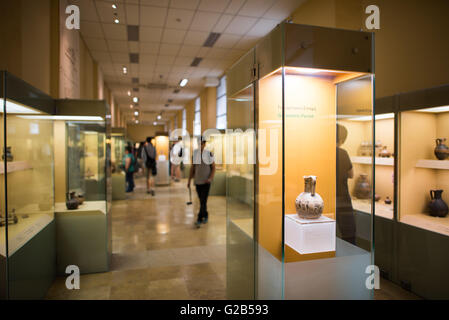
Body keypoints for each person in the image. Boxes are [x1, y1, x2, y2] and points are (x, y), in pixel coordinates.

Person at [188, 138, 215, 228]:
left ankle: (199, 219)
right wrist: (189, 180)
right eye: (199, 144)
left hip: (206, 182)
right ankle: (206, 215)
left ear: (205, 144)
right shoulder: (195, 154)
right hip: (198, 181)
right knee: (202, 200)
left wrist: (210, 178)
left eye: (202, 144)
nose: (201, 146)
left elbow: (213, 167)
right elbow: (193, 168)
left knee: (203, 200)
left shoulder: (209, 154)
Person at [336, 123, 356, 245]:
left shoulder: (321, 152)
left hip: (327, 199)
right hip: (342, 199)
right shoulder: (342, 153)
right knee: (349, 234)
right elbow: (351, 174)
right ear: (342, 140)